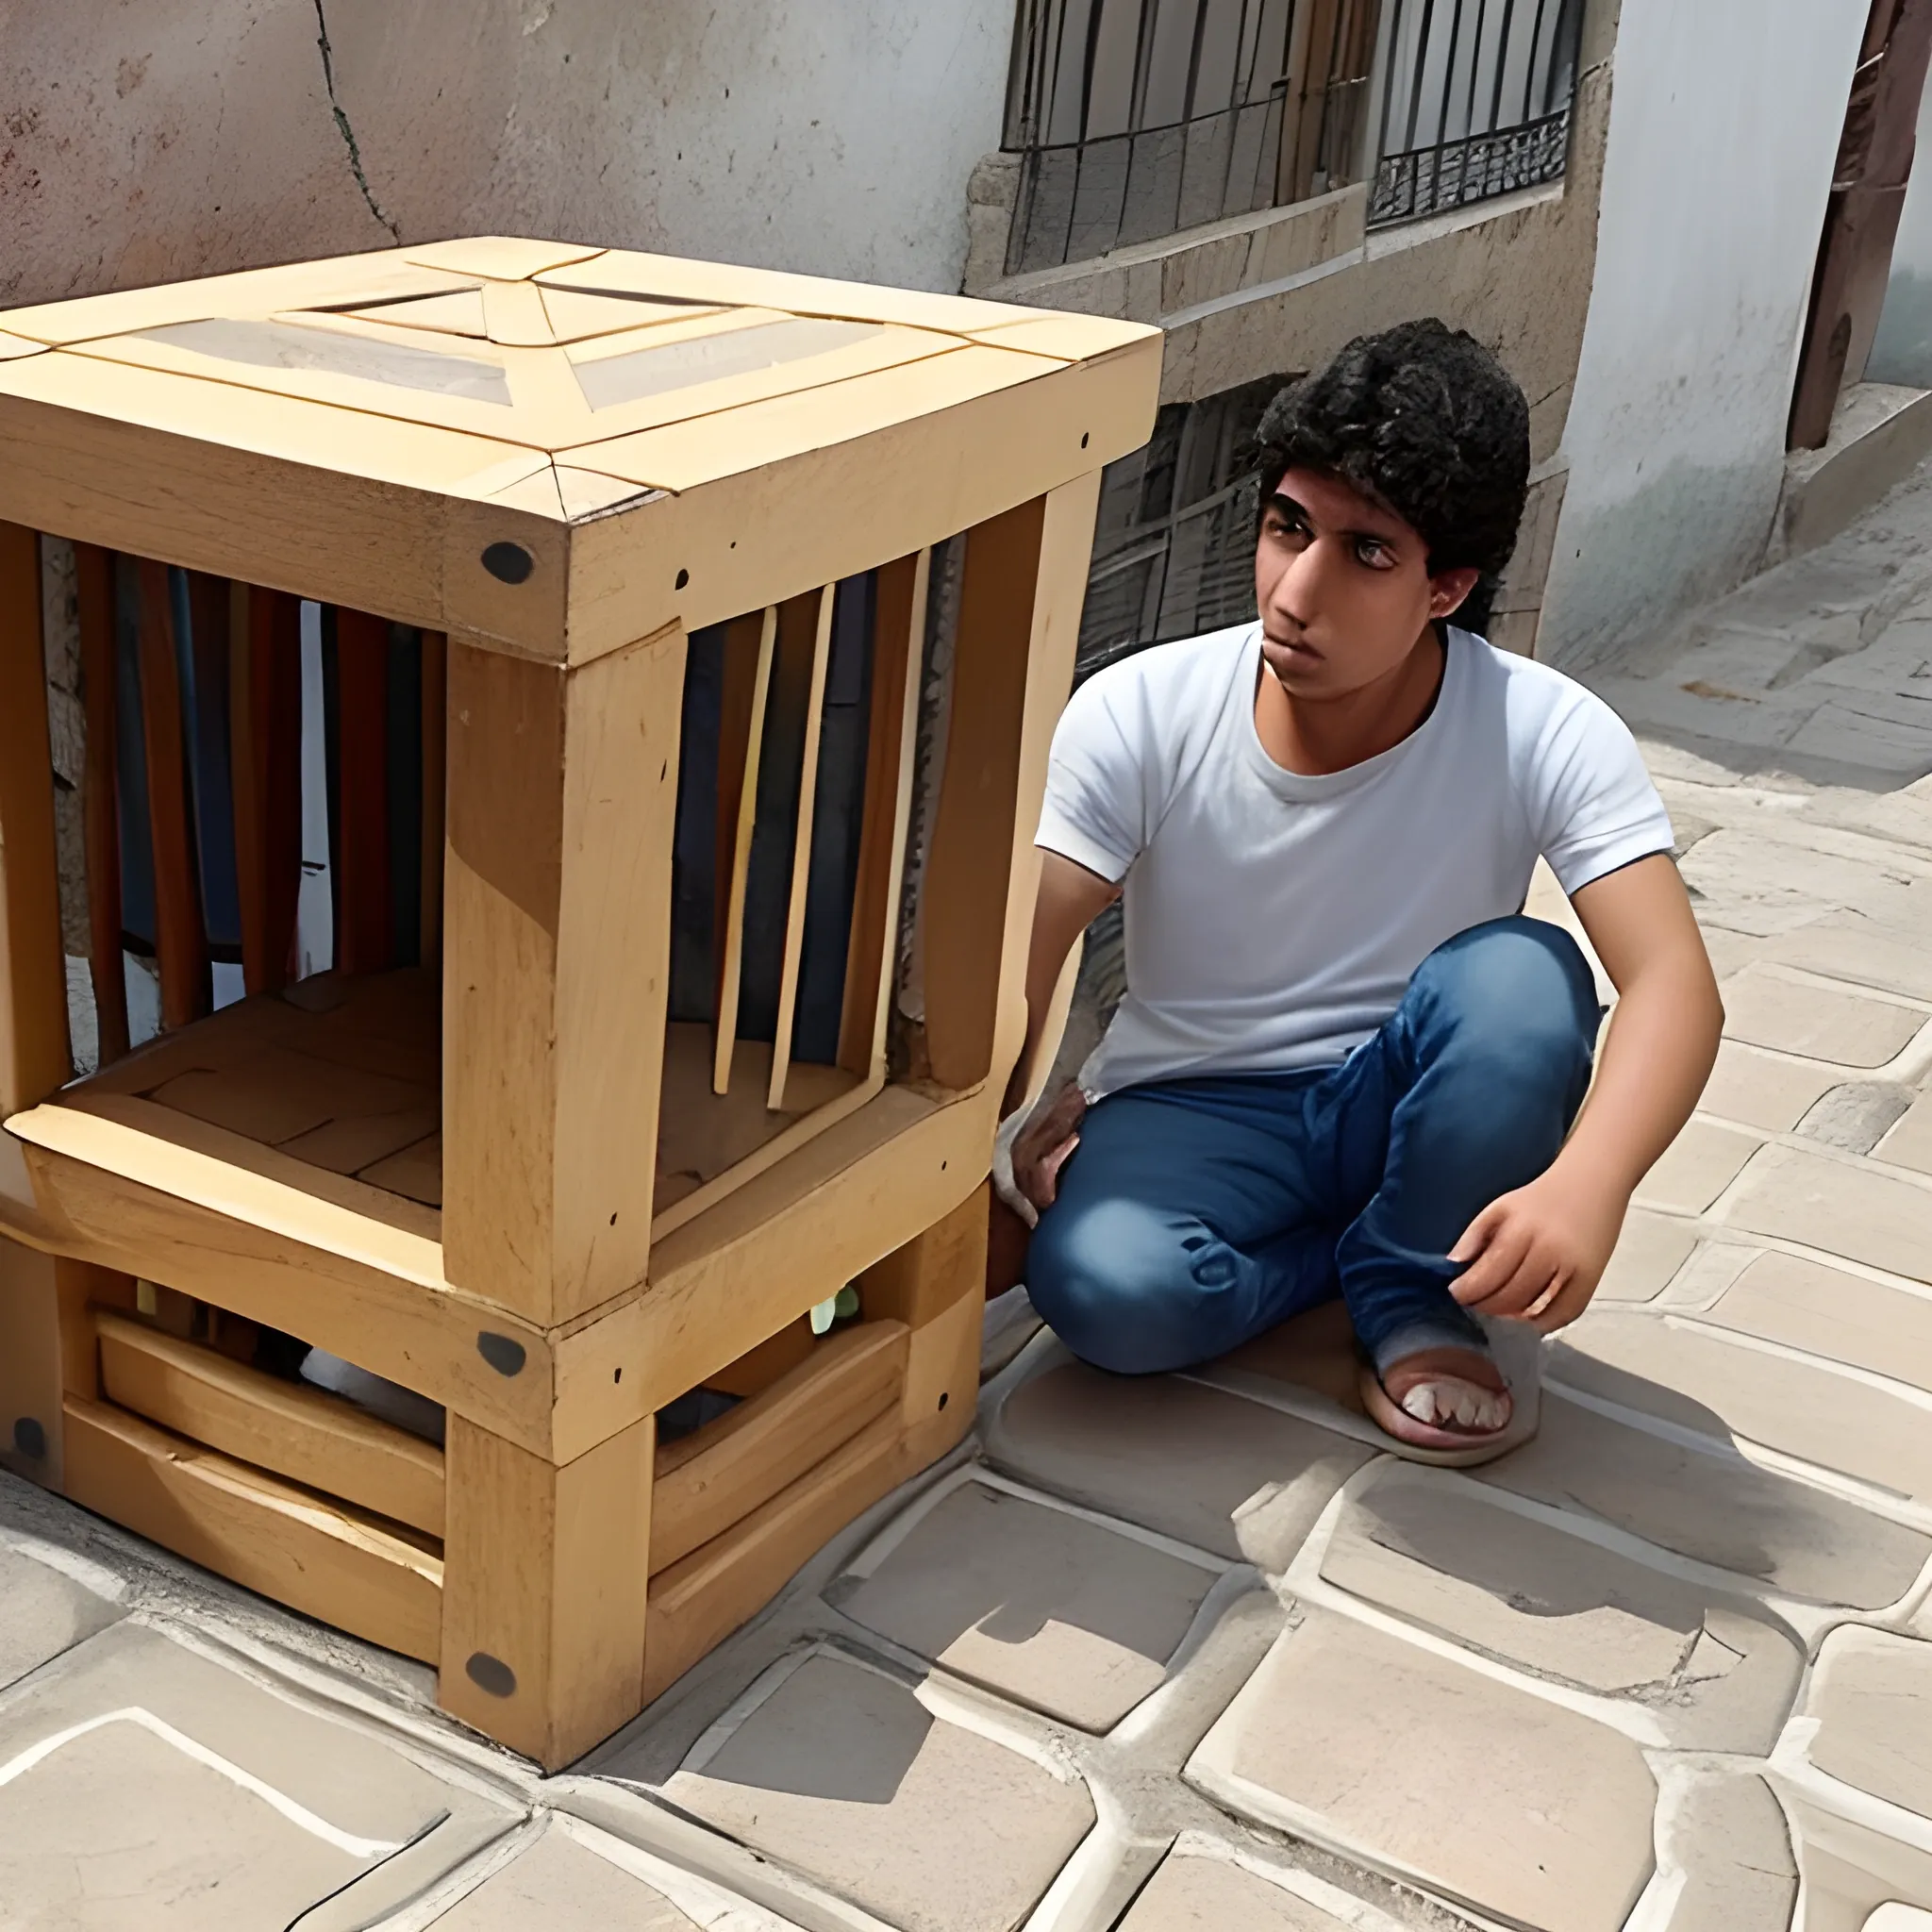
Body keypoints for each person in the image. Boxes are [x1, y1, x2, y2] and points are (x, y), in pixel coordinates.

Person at [992, 318, 1723, 1458]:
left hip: (1408, 1094)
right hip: (1189, 1102)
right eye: (1287, 527)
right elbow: (1020, 961)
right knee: (1100, 1292)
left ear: (1447, 586)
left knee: (1525, 984)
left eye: (1365, 552)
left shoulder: (1543, 726)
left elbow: (1674, 984)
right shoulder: (1140, 709)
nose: (1294, 592)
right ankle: (1351, 1256)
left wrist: (1591, 1182)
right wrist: (1002, 1142)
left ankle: (1407, 1284)